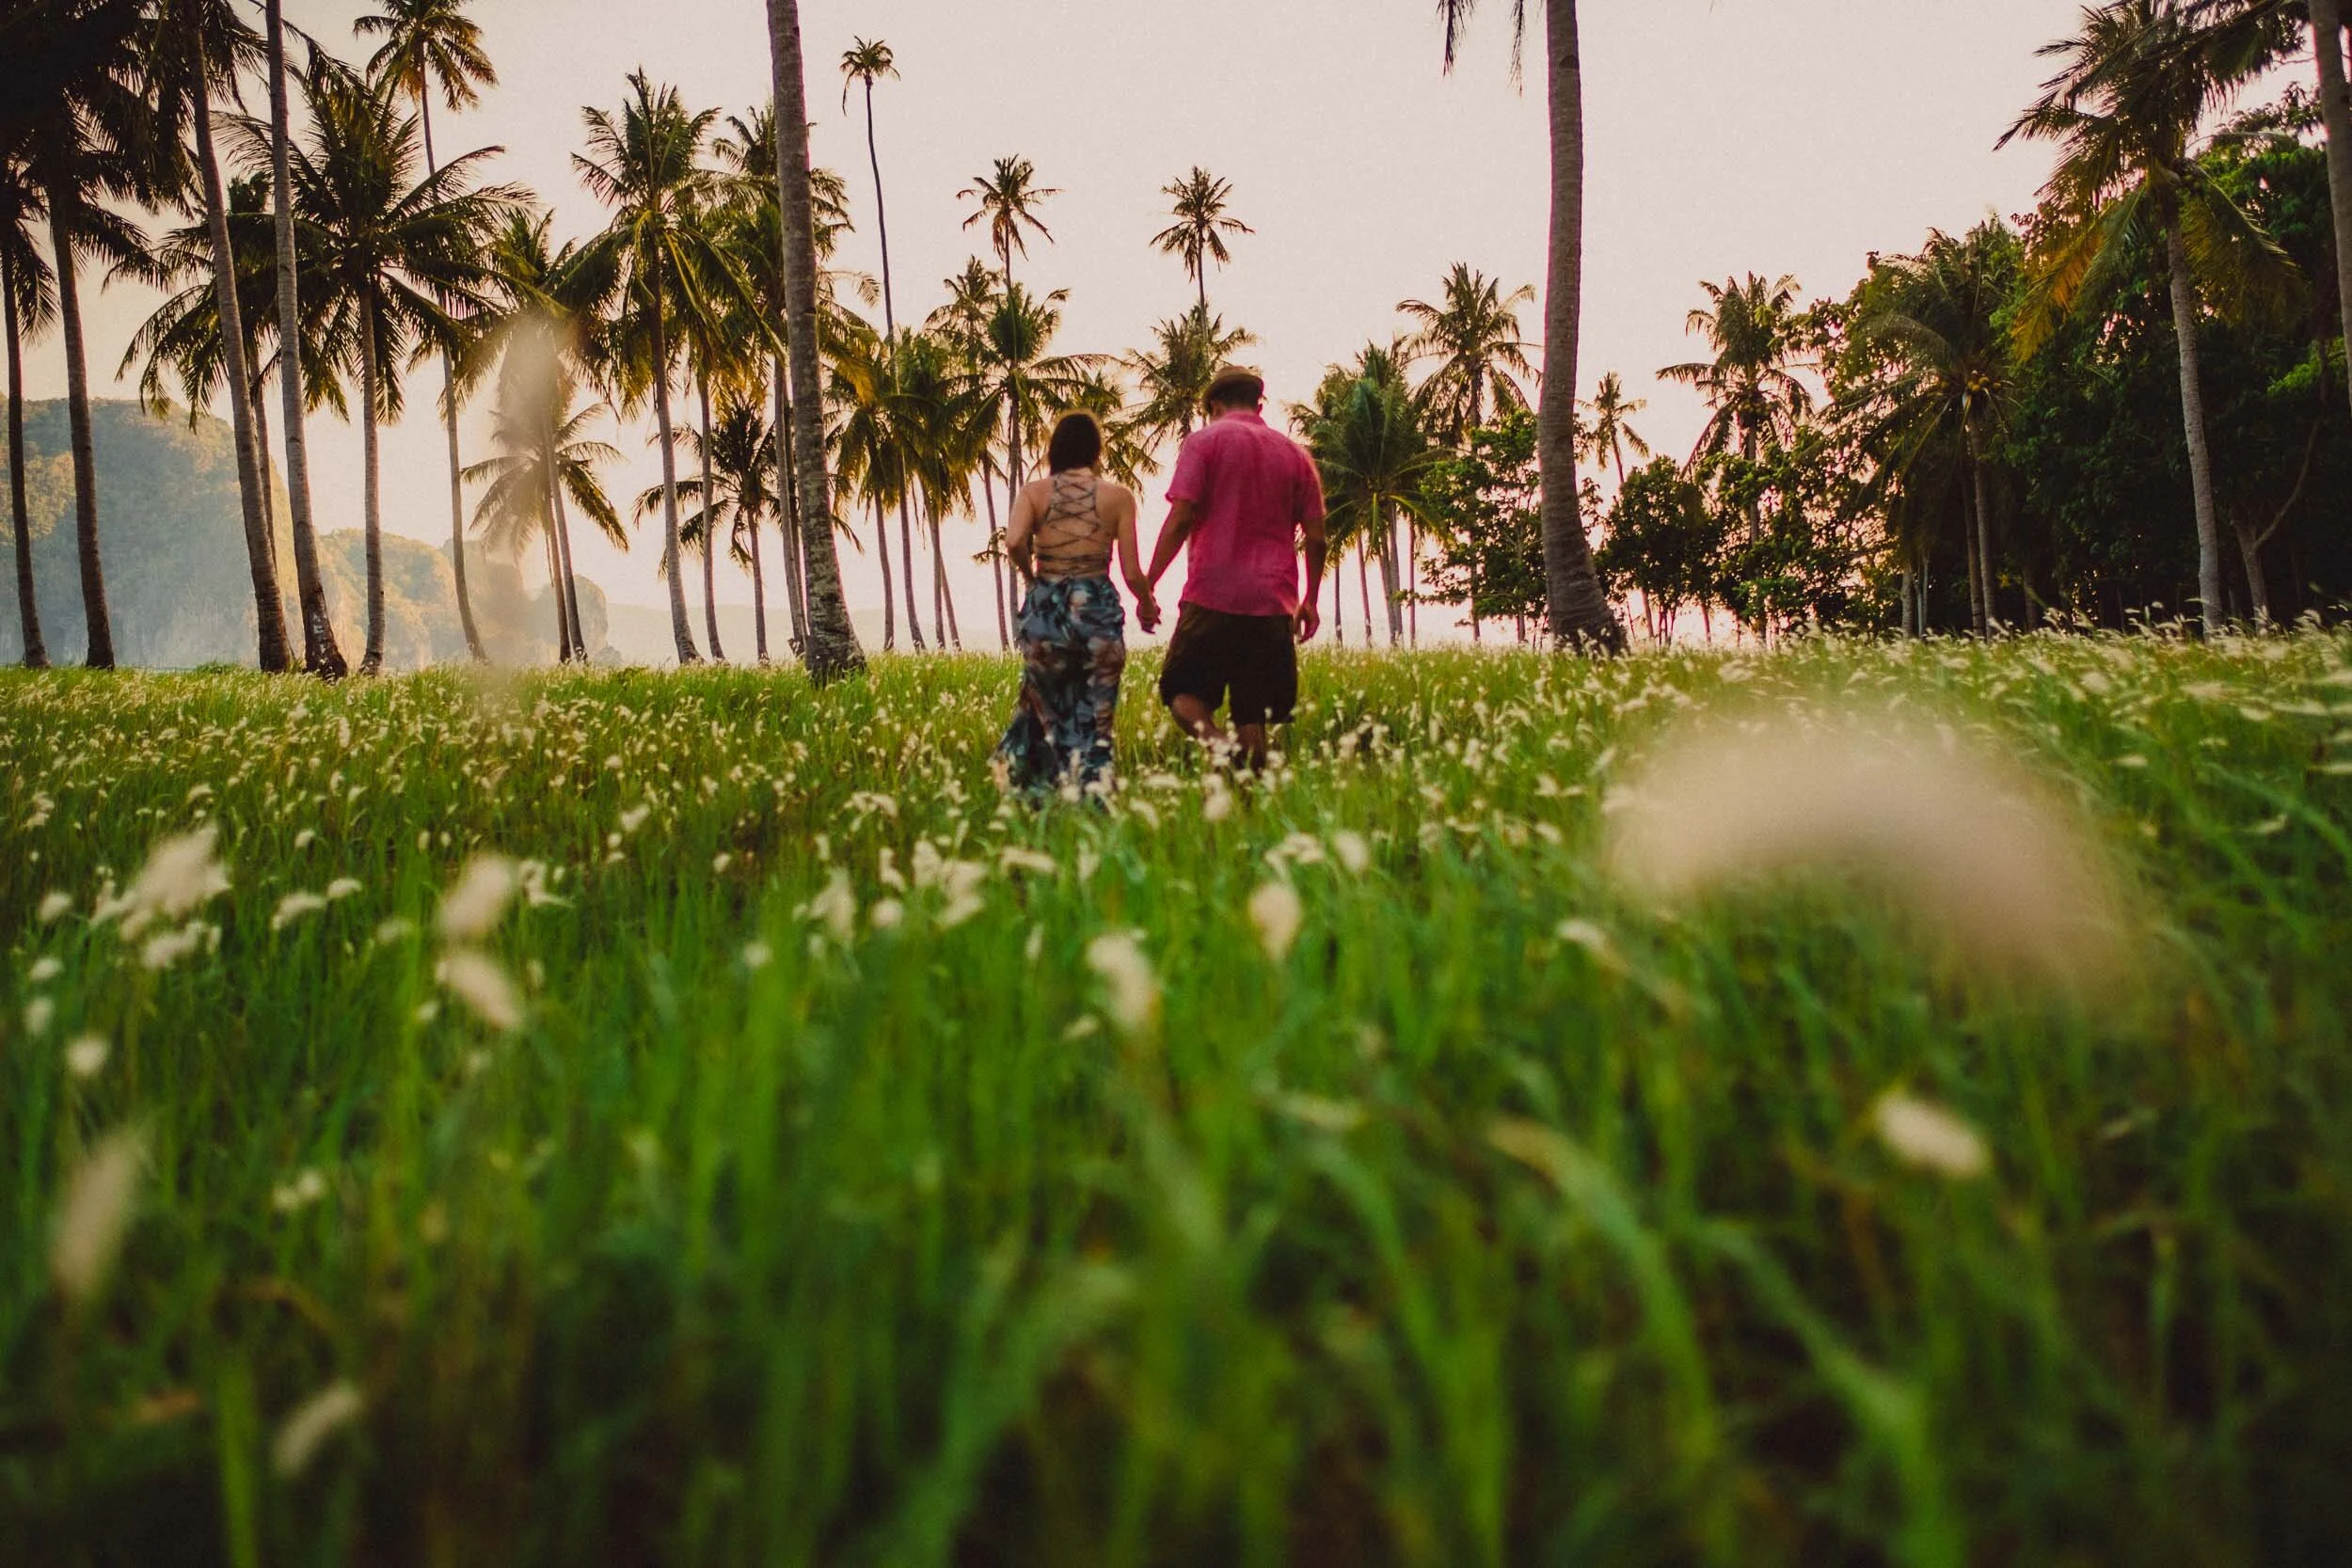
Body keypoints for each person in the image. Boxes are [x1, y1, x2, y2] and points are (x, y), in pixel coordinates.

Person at [1141, 365, 1327, 769]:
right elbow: (1316, 537)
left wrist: (1148, 582)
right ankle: (1251, 807)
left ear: (1214, 405)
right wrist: (1309, 599)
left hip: (1212, 595)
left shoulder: (1204, 442)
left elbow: (1181, 517)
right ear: (1258, 403)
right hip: (1273, 601)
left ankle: (1222, 753)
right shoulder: (1296, 455)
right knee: (1252, 713)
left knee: (1183, 693)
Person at [993, 410, 1156, 797]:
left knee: (1044, 711)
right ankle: (1093, 797)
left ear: (1055, 450)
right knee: (1098, 716)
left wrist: (1033, 579)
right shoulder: (1118, 497)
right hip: (1097, 610)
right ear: (1096, 451)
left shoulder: (1034, 493)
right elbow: (1132, 572)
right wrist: (1147, 605)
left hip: (1048, 610)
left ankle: (1039, 797)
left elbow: (1015, 541)